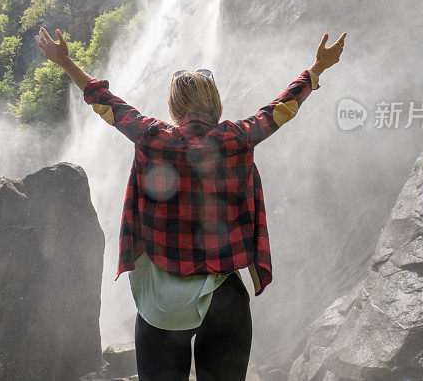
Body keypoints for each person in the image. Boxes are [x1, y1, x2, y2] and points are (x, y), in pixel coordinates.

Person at [35, 26, 346, 381]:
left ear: (174, 107)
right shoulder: (238, 137)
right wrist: (316, 69)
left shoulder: (153, 136)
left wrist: (66, 62)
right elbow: (281, 108)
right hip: (225, 302)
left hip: (163, 305)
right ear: (215, 103)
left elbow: (105, 102)